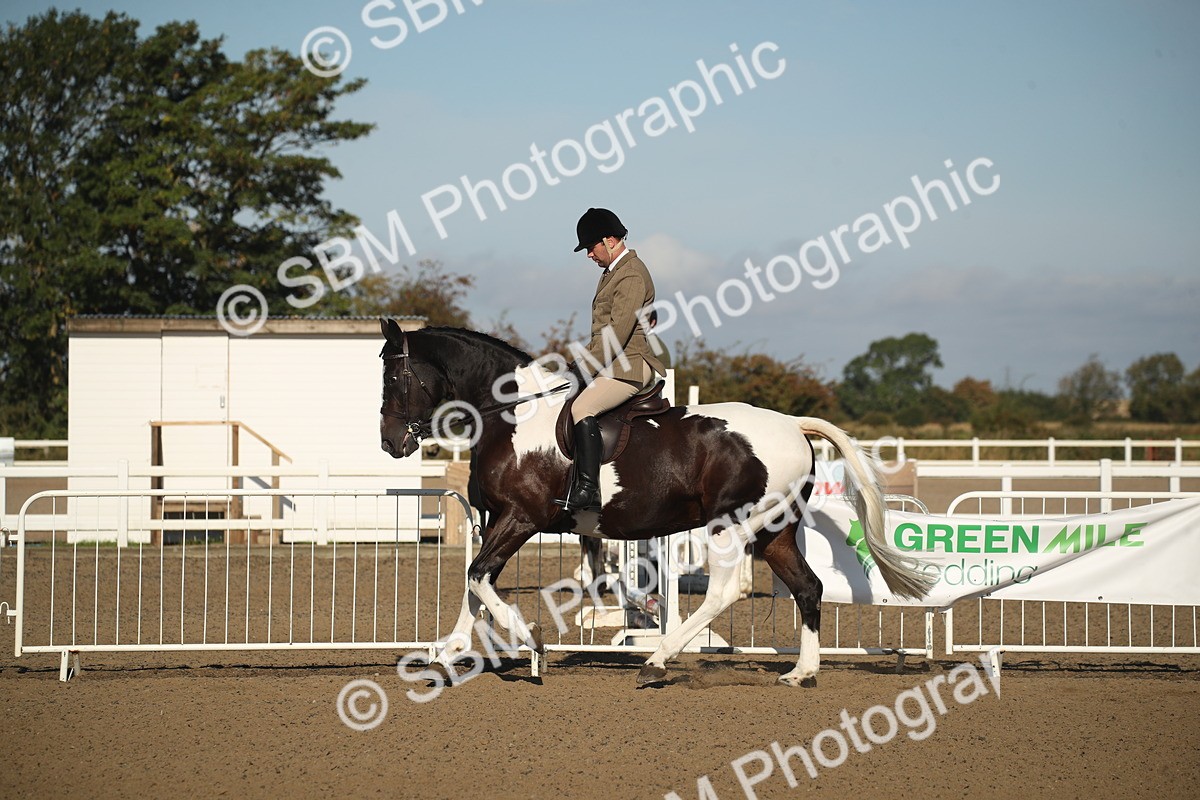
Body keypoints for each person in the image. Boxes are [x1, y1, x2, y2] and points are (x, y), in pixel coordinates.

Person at [556, 208, 666, 512]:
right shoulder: (613, 273)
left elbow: (617, 333)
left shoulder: (630, 273)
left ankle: (589, 490)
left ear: (610, 240)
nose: (589, 254)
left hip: (630, 365)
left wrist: (583, 368)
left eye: (591, 247)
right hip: (614, 362)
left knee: (583, 406)